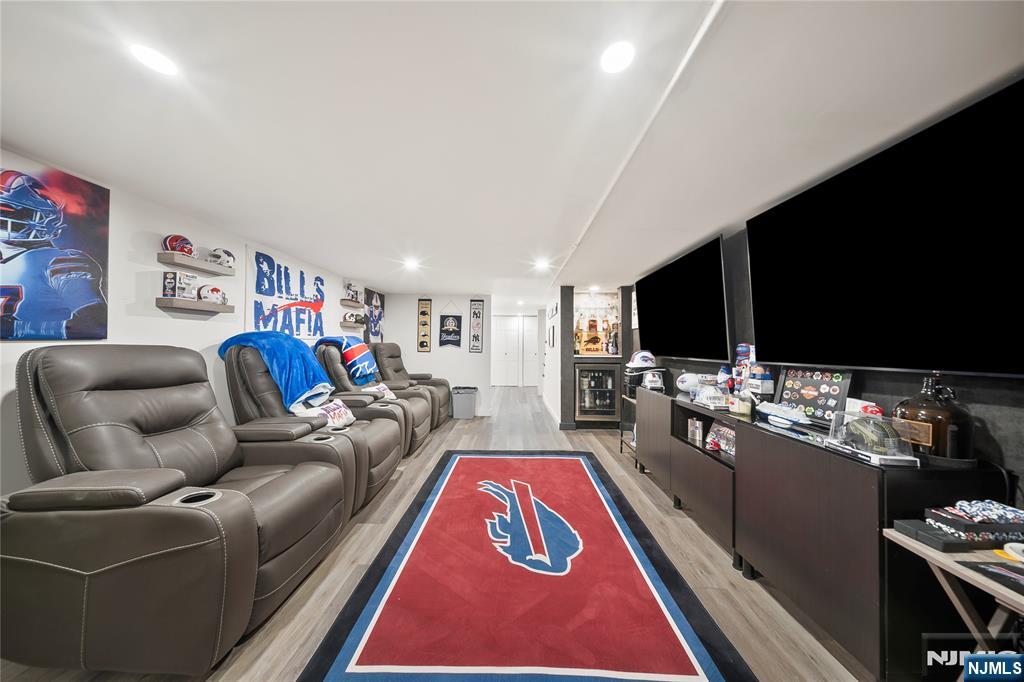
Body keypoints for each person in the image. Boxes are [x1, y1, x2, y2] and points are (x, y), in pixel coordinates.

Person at [0, 170, 107, 339]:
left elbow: (96, 327)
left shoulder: (58, 261)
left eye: (7, 212)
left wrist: (16, 328)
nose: (2, 220)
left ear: (45, 218)